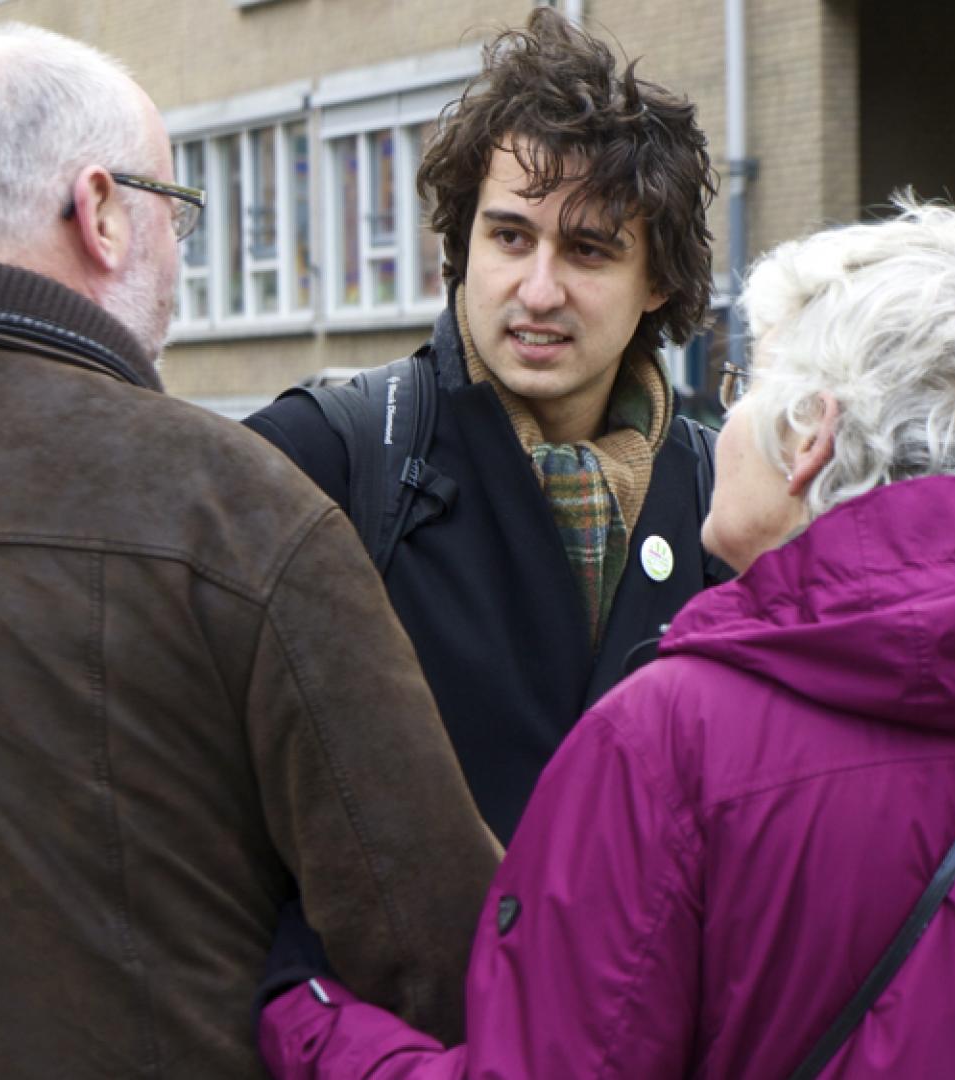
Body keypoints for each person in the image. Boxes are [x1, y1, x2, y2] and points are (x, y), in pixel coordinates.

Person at [255, 201, 955, 1078]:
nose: (723, 420)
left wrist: (310, 1023)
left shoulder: (666, 739)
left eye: (744, 384)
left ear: (810, 438)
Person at [0, 26, 496, 1077]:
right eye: (173, 210)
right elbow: (445, 949)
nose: (179, 248)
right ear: (100, 212)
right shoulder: (244, 511)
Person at [243, 7, 727, 844]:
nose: (538, 291)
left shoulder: (720, 500)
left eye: (588, 249)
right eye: (510, 236)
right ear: (462, 250)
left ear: (658, 280)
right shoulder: (327, 453)